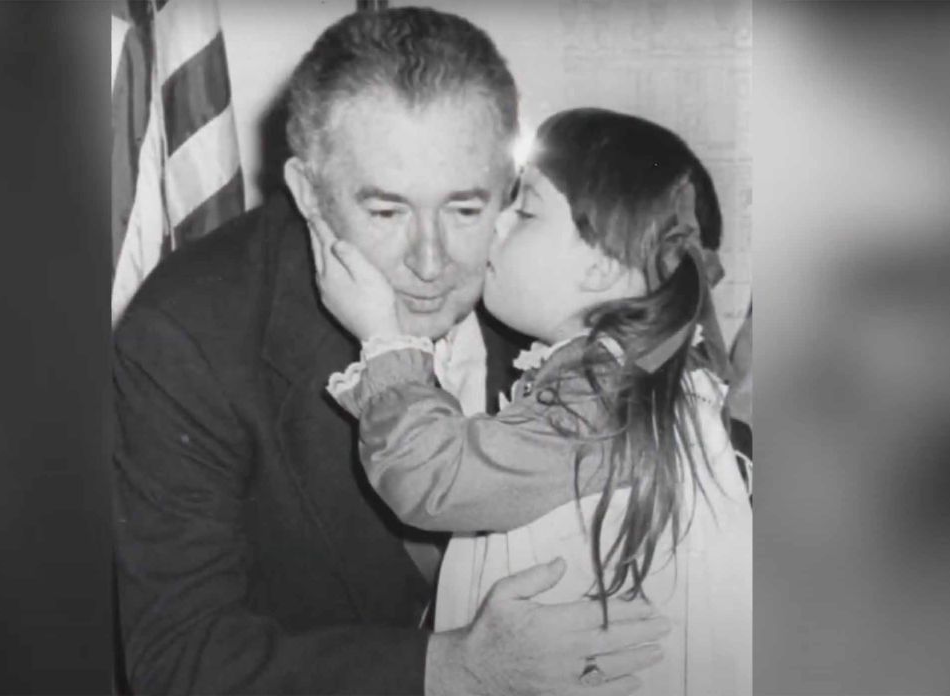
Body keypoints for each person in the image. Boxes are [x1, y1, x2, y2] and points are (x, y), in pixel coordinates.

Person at [112, 9, 670, 695]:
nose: (431, 262)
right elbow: (177, 658)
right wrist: (451, 669)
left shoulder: (552, 282)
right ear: (308, 194)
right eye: (386, 212)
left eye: (465, 209)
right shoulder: (186, 333)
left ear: (510, 183)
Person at [311, 108, 752, 694]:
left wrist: (381, 336)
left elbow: (433, 477)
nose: (495, 224)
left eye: (526, 211)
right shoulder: (640, 380)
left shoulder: (605, 401)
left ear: (601, 267)